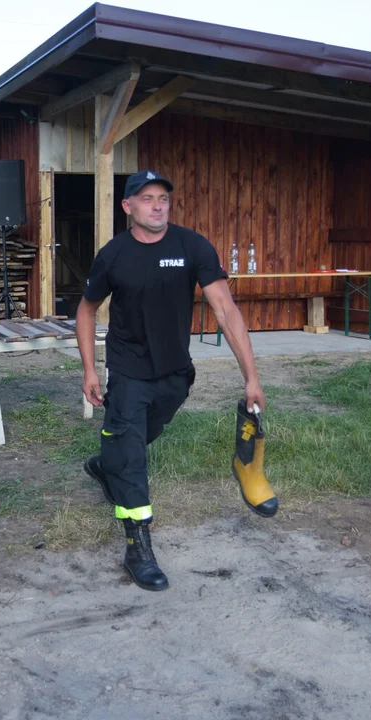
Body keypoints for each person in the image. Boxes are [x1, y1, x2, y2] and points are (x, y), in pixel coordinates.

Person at [76, 170, 277, 593]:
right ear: (128, 207)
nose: (157, 205)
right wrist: (91, 369)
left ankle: (105, 465)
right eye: (146, 198)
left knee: (132, 442)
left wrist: (251, 377)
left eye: (163, 198)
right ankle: (138, 548)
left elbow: (225, 310)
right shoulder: (113, 255)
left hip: (174, 373)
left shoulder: (192, 245)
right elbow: (86, 309)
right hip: (128, 368)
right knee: (132, 457)